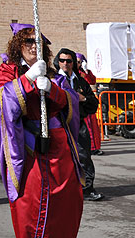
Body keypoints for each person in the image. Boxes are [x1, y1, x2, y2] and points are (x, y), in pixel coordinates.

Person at [0, 23, 83, 238]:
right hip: (29, 144)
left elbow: (70, 104)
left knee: (68, 195)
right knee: (35, 196)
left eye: (39, 43)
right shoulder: (8, 73)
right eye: (28, 43)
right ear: (18, 46)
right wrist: (27, 80)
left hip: (59, 142)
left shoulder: (54, 73)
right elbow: (5, 101)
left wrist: (54, 90)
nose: (34, 47)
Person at [54, 48, 103, 201]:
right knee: (61, 160)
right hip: (60, 125)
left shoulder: (81, 81)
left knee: (84, 157)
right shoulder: (53, 80)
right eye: (62, 60)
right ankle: (64, 191)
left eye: (69, 61)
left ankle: (87, 189)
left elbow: (93, 104)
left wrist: (84, 99)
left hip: (79, 125)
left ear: (73, 62)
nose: (65, 64)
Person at [76, 52, 103, 156]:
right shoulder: (74, 73)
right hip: (80, 104)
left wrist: (86, 71)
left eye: (80, 62)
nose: (78, 64)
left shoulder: (85, 72)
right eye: (77, 62)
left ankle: (95, 147)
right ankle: (89, 147)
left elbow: (92, 81)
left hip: (88, 101)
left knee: (93, 126)